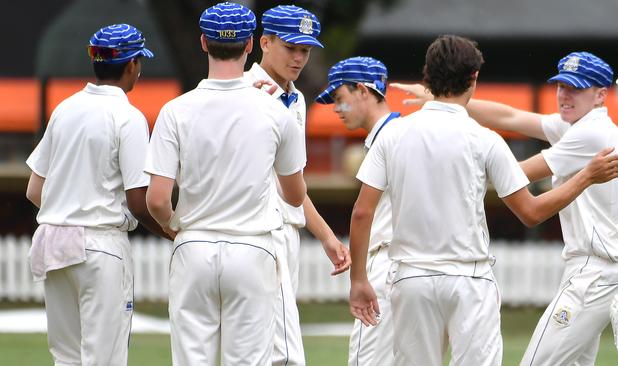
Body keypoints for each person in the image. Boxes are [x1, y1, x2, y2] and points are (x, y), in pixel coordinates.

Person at [348, 35, 618, 366]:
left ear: (602, 95)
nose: (564, 94)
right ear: (473, 78)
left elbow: (362, 212)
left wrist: (451, 164)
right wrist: (451, 120)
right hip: (474, 278)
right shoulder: (554, 128)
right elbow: (511, 118)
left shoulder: (590, 132)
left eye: (576, 88)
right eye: (562, 85)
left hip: (596, 267)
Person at [144, 3, 307, 365]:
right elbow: (295, 196)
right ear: (250, 44)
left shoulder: (176, 110)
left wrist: (175, 227)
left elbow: (156, 199)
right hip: (252, 248)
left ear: (203, 42)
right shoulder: (276, 112)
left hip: (194, 246)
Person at [25, 23, 170, 365]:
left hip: (53, 241)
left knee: (67, 358)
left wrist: (69, 207)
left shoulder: (64, 109)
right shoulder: (128, 117)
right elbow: (139, 201)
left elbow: (35, 190)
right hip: (100, 246)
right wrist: (172, 231)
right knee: (104, 358)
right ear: (132, 65)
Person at [244, 5, 351, 365]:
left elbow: (292, 182)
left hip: (285, 231)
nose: (299, 58)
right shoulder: (245, 92)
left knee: (266, 346)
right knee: (284, 353)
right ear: (265, 42)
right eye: (291, 47)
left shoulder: (297, 99)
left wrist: (326, 237)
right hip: (257, 231)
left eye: (305, 50)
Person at [315, 56, 396, 366]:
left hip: (385, 264)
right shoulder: (404, 131)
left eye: (340, 98)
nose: (337, 109)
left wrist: (359, 279)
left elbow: (362, 214)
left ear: (363, 90)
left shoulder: (386, 138)